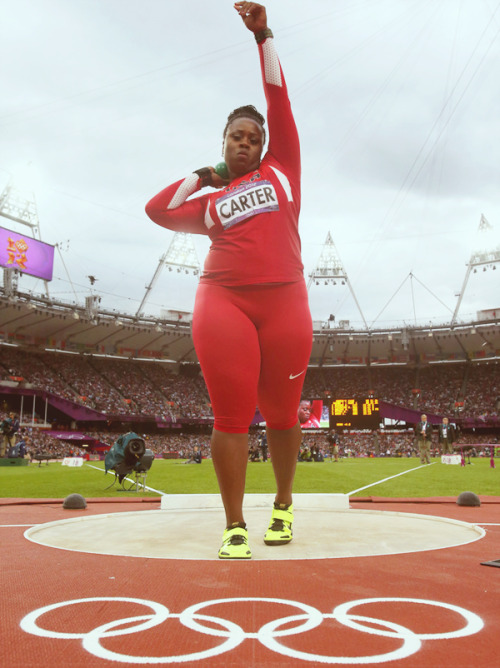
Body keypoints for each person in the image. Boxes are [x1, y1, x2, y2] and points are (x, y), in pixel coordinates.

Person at [145, 2, 312, 559]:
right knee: (232, 415)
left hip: (285, 300)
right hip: (223, 301)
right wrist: (200, 175)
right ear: (223, 143)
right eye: (235, 136)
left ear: (264, 146)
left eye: (252, 137)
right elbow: (158, 210)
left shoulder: (282, 167)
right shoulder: (210, 203)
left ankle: (283, 506)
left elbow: (278, 98)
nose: (245, 142)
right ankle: (235, 524)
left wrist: (263, 35)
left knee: (285, 413)